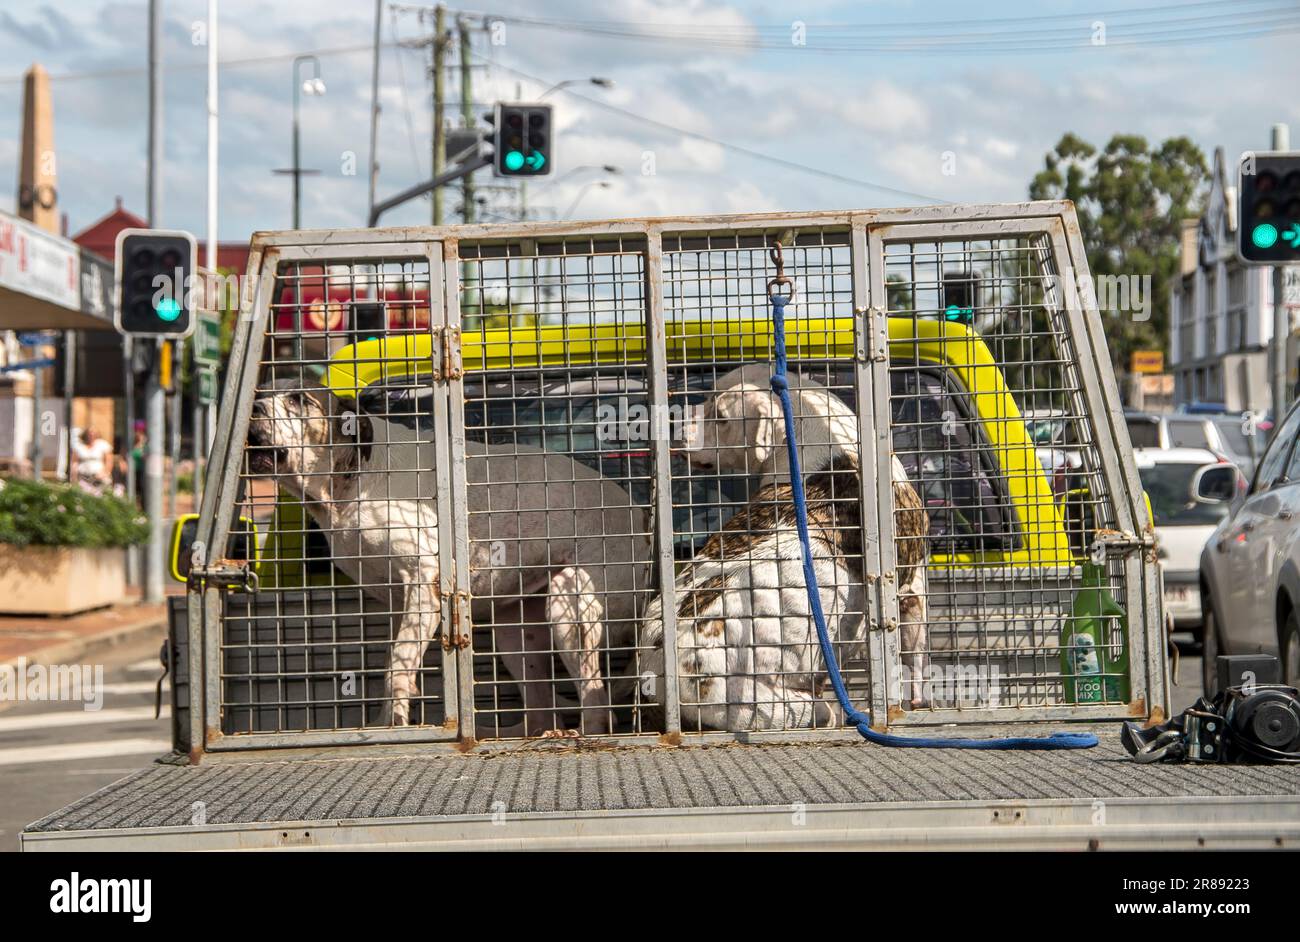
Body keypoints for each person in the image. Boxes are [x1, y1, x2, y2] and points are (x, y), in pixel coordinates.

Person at [73, 427, 114, 494]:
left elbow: (109, 461)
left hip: (98, 476)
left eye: (93, 433)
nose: (91, 435)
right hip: (83, 476)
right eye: (89, 433)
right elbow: (74, 462)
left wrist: (105, 473)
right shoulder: (79, 446)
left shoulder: (102, 444)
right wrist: (74, 476)